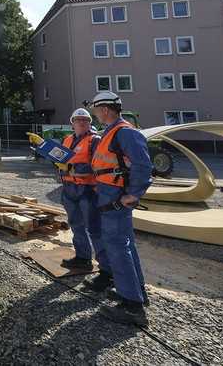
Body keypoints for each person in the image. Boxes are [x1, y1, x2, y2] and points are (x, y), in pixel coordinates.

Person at [81, 91, 153, 326]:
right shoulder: (112, 132)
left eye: (96, 111)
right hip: (109, 194)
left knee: (117, 246)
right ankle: (135, 292)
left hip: (116, 196)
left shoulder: (124, 132)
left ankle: (132, 306)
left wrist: (133, 194)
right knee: (125, 244)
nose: (95, 115)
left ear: (105, 110)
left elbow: (143, 165)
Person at [57, 108, 105, 271]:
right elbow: (60, 160)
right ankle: (83, 258)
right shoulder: (67, 139)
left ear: (90, 123)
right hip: (69, 189)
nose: (82, 122)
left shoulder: (95, 140)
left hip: (88, 190)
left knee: (94, 228)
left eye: (85, 120)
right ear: (72, 123)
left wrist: (70, 168)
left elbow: (97, 165)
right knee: (76, 225)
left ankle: (106, 268)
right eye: (78, 120)